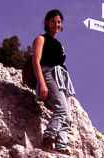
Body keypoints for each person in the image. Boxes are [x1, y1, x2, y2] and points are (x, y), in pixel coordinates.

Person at [32, 9, 76, 153]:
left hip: (62, 78)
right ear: (47, 22)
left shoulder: (59, 44)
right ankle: (48, 139)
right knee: (62, 109)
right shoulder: (41, 38)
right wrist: (42, 83)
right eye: (53, 21)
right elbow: (36, 62)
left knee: (67, 116)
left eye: (59, 22)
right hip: (48, 73)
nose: (56, 24)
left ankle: (61, 146)